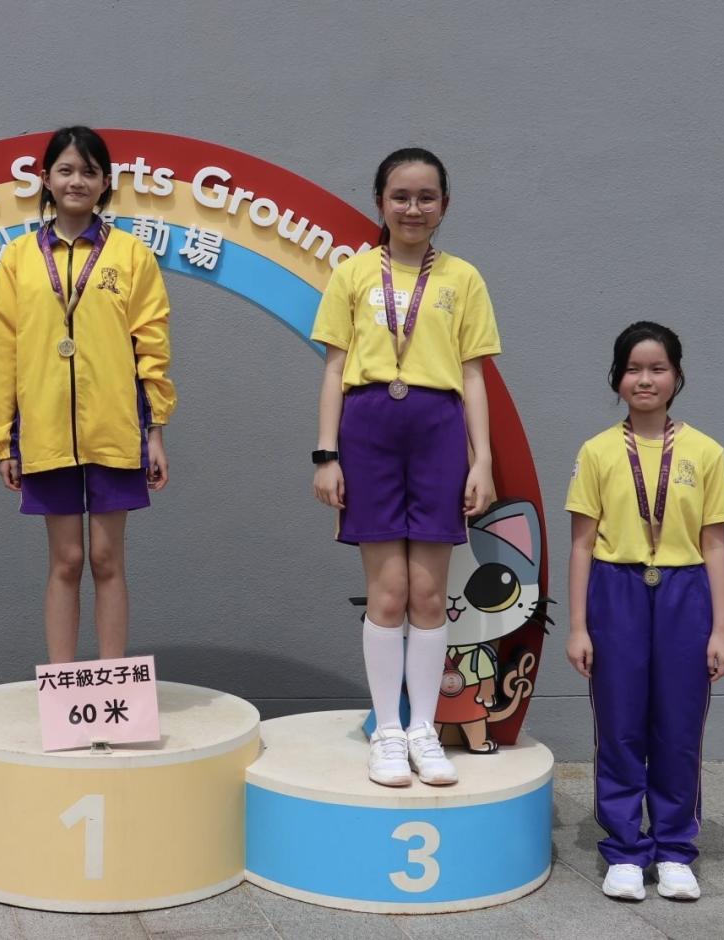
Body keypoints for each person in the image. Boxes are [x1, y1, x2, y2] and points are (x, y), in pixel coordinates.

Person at [311, 148, 500, 787]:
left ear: (444, 205)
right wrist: (327, 454)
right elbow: (335, 368)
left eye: (426, 197)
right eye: (400, 196)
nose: (412, 208)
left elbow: (473, 376)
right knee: (388, 592)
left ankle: (424, 728)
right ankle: (388, 732)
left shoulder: (464, 279)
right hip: (368, 433)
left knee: (428, 593)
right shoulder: (352, 273)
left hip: (438, 433)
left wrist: (482, 460)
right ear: (379, 202)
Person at [0, 126, 175, 663]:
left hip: (115, 428)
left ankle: (114, 682)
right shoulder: (18, 258)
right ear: (45, 179)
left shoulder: (130, 255)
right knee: (65, 560)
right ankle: (63, 686)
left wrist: (155, 431)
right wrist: (2, 439)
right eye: (65, 170)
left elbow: (151, 344)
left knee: (108, 559)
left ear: (106, 181)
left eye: (89, 171)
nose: (76, 181)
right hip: (43, 431)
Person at [566, 321, 724, 902]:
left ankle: (674, 848)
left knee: (679, 727)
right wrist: (578, 626)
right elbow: (581, 544)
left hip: (686, 593)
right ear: (617, 378)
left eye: (657, 369)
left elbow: (715, 544)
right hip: (615, 591)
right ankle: (624, 849)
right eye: (633, 369)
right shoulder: (596, 451)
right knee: (619, 725)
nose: (645, 379)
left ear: (677, 377)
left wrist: (721, 629)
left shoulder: (706, 451)